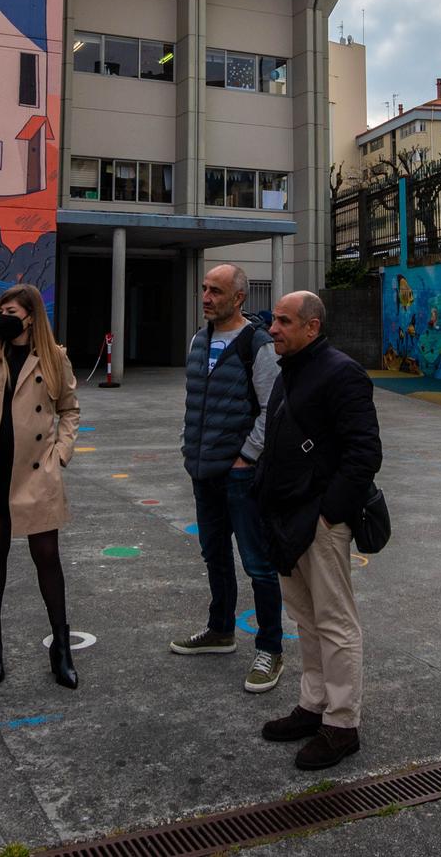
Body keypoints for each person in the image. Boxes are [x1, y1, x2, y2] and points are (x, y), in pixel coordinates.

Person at [254, 290, 382, 770]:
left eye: (284, 321)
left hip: (319, 522)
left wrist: (330, 515)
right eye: (274, 320)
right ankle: (313, 705)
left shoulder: (342, 372)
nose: (273, 329)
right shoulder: (290, 372)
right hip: (283, 517)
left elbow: (365, 452)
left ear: (311, 326)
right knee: (306, 620)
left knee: (334, 621)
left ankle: (343, 723)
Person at [0, 284, 82, 689]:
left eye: (11, 310)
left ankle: (60, 646)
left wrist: (60, 454)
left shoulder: (53, 357)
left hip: (35, 471)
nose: (3, 317)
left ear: (30, 315)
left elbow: (69, 409)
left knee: (47, 555)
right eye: (0, 310)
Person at [169, 263, 284, 695]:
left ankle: (270, 648)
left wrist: (246, 457)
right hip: (202, 470)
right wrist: (189, 448)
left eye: (216, 291)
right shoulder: (199, 340)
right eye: (204, 289)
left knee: (258, 564)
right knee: (214, 555)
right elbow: (194, 401)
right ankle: (220, 631)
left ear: (239, 298)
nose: (206, 297)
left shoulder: (257, 344)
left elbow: (273, 408)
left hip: (240, 475)